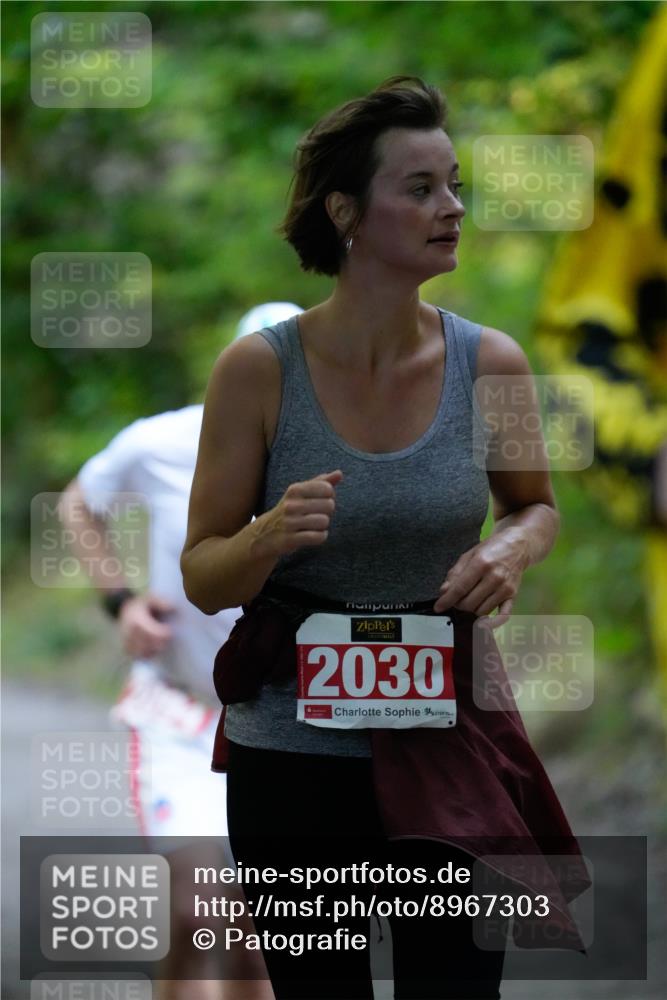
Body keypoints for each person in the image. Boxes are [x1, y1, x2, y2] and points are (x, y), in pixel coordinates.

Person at [181, 78, 588, 1000]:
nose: (452, 208)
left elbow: (536, 507)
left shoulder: (491, 362)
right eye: (420, 188)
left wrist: (509, 549)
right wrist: (266, 537)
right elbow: (203, 576)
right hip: (291, 755)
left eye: (454, 186)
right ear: (345, 212)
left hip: (449, 736)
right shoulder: (258, 371)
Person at [58, 302, 301, 1000]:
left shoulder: (335, 455)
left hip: (282, 726)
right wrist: (121, 602)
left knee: (260, 942)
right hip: (182, 713)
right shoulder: (161, 441)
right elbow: (77, 503)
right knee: (200, 917)